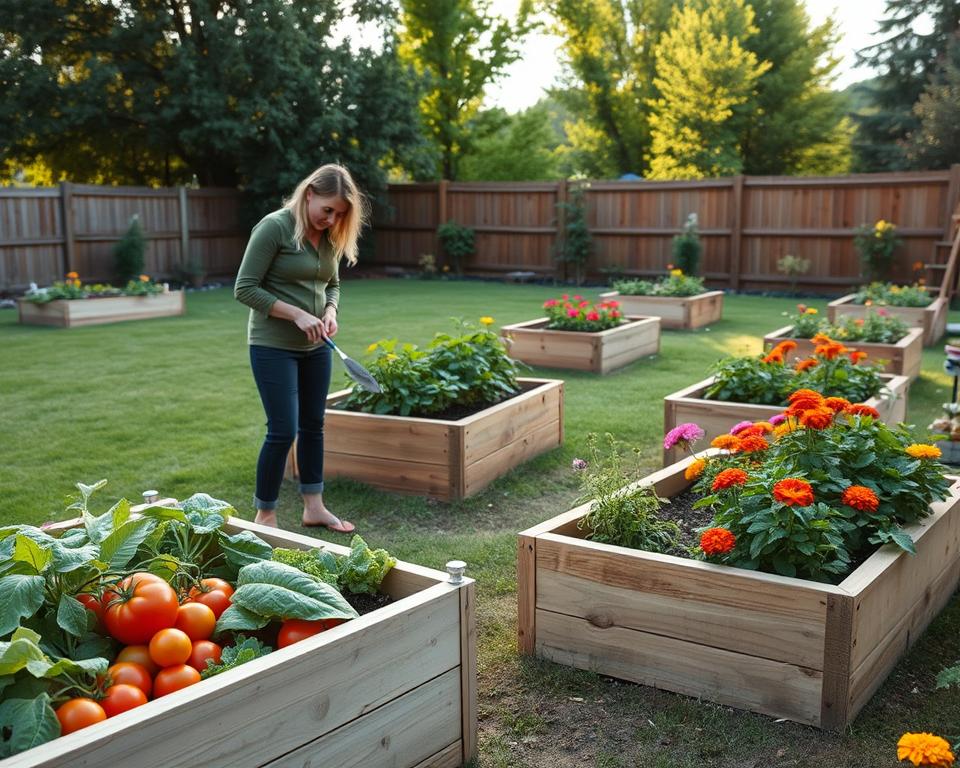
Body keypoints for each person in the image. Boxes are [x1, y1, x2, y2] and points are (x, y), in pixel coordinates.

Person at [234, 164, 369, 531]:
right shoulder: (274, 227)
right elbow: (244, 288)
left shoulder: (328, 237)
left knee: (314, 425)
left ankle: (314, 507)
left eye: (340, 214)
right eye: (328, 209)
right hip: (272, 345)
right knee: (283, 429)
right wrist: (295, 314)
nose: (332, 219)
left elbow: (333, 284)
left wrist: (329, 310)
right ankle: (265, 514)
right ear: (309, 193)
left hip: (318, 347)